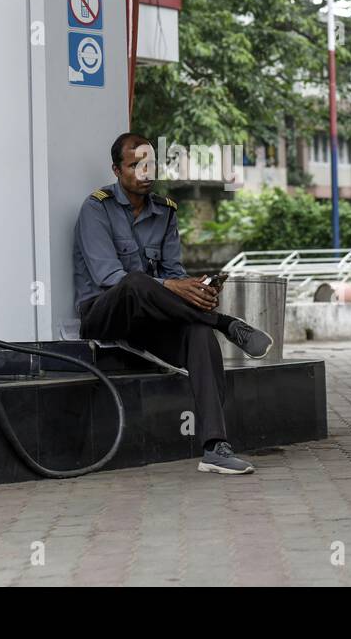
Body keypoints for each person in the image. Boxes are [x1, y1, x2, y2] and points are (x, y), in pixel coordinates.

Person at [74, 133, 274, 474]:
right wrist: (175, 287)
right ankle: (224, 323)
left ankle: (215, 447)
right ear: (117, 170)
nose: (144, 171)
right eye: (135, 165)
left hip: (149, 320)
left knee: (198, 331)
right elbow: (109, 277)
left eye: (149, 163)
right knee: (133, 281)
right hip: (103, 314)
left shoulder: (165, 213)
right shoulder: (96, 208)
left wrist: (197, 290)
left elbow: (174, 274)